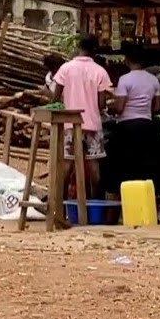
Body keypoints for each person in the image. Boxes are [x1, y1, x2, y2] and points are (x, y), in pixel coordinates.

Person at [51, 35, 115, 198]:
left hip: (70, 124)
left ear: (78, 47)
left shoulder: (65, 68)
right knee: (94, 167)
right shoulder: (100, 71)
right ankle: (96, 205)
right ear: (94, 50)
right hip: (92, 125)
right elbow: (101, 104)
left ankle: (61, 206)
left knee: (67, 165)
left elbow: (56, 98)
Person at [109, 47, 160, 186]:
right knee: (144, 164)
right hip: (146, 125)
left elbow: (120, 108)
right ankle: (144, 195)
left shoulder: (125, 79)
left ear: (127, 60)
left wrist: (109, 107)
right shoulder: (153, 80)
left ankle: (126, 195)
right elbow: (157, 108)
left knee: (126, 164)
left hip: (127, 126)